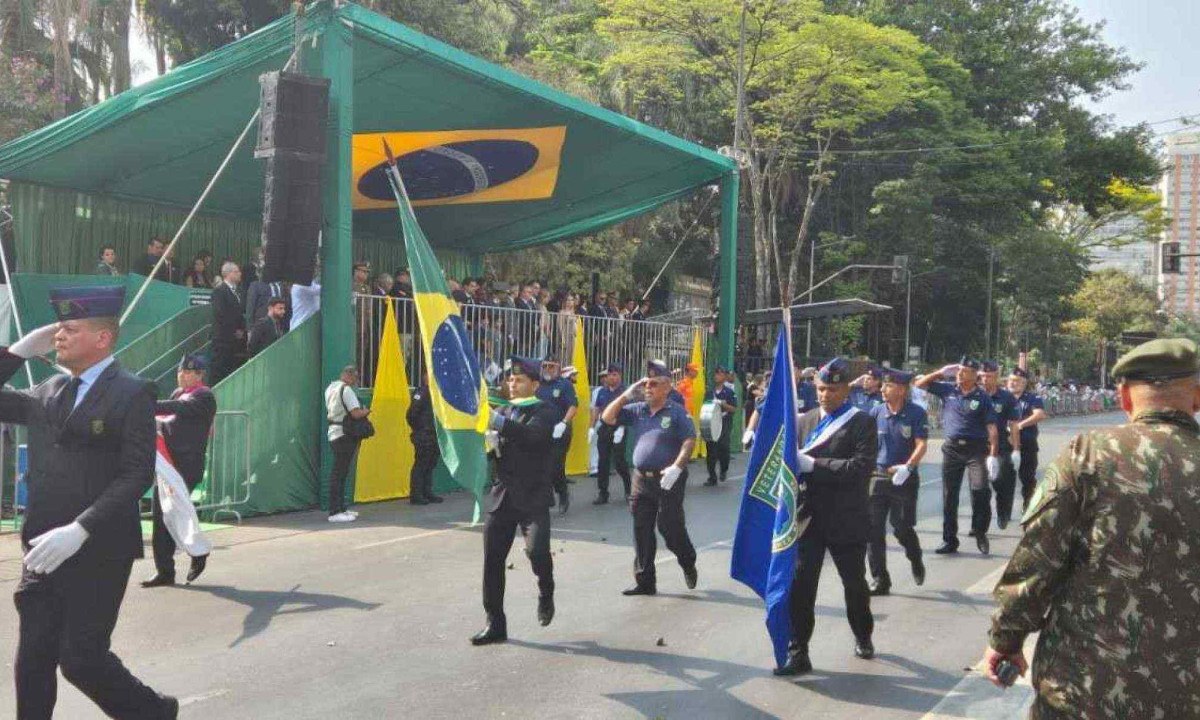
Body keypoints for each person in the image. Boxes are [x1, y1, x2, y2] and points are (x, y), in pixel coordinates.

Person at [983, 338, 1200, 717]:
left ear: (1124, 398)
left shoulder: (1089, 453)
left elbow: (1040, 555)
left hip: (1084, 687)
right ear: (1196, 398)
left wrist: (1006, 639)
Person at [0, 285, 178, 718]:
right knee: (33, 660)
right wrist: (19, 351)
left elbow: (136, 473)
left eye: (70, 328)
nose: (58, 336)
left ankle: (152, 713)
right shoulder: (48, 390)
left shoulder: (133, 392)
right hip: (43, 547)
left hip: (99, 548)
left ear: (102, 338)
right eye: (57, 329)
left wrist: (81, 528)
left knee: (81, 659)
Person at [774, 358, 877, 676]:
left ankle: (863, 635)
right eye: (820, 389)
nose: (825, 395)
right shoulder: (804, 421)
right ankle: (798, 651)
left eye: (832, 390)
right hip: (809, 518)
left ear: (846, 389)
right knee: (801, 586)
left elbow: (860, 468)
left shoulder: (862, 422)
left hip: (846, 517)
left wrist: (815, 466)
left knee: (854, 584)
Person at [472, 356, 559, 645]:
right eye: (510, 379)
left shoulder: (545, 410)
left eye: (519, 379)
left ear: (534, 384)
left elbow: (533, 436)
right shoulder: (505, 410)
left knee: (537, 552)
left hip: (533, 496)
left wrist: (499, 422)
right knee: (492, 560)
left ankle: (546, 591)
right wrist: (491, 444)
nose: (513, 383)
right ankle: (495, 622)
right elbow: (499, 451)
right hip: (503, 496)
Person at [601, 365, 698, 597]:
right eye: (645, 383)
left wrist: (677, 466)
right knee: (641, 529)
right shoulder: (638, 410)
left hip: (668, 478)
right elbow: (607, 417)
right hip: (641, 480)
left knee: (669, 527)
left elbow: (689, 440)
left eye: (654, 384)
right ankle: (645, 581)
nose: (648, 388)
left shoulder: (676, 411)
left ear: (667, 387)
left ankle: (687, 561)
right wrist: (626, 394)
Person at [142, 354, 216, 589]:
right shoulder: (177, 393)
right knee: (161, 516)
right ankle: (165, 571)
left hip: (186, 465)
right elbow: (163, 415)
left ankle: (198, 551)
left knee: (176, 511)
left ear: (199, 375)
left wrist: (145, 403)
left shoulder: (204, 396)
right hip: (166, 464)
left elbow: (176, 409)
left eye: (187, 372)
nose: (182, 375)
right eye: (180, 371)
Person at [915, 357, 999, 555]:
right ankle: (950, 540)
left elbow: (992, 428)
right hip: (952, 450)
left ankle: (979, 531)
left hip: (976, 450)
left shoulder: (982, 397)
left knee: (980, 491)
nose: (960, 374)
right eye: (959, 370)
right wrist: (941, 372)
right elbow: (919, 384)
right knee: (949, 496)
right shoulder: (948, 389)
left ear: (975, 375)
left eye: (965, 371)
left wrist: (993, 455)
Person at [866, 369, 928, 596]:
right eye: (882, 385)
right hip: (878, 477)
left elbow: (921, 444)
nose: (882, 389)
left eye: (888, 386)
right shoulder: (876, 412)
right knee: (872, 530)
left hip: (904, 479)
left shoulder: (916, 413)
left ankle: (915, 556)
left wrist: (908, 466)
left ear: (902, 390)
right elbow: (867, 444)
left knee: (901, 527)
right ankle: (880, 579)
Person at [980, 361, 1022, 529]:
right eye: (982, 376)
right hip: (979, 446)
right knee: (980, 487)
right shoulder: (975, 394)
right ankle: (979, 522)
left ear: (996, 377)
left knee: (1001, 482)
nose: (985, 379)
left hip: (1001, 446)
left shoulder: (1006, 397)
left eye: (989, 376)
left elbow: (1013, 424)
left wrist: (1017, 450)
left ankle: (1003, 512)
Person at [324, 365, 369, 523]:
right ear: (349, 376)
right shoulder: (347, 390)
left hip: (333, 433)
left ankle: (341, 507)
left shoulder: (331, 388)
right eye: (355, 378)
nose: (356, 381)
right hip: (344, 434)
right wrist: (367, 411)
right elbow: (355, 413)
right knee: (340, 473)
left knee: (340, 472)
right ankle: (335, 511)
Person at [536, 358, 577, 514]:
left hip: (560, 430)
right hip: (540, 430)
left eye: (551, 366)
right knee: (540, 464)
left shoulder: (564, 384)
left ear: (558, 367)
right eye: (545, 366)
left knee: (555, 465)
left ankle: (562, 493)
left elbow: (573, 406)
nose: (548, 369)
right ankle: (547, 497)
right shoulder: (537, 384)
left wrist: (564, 422)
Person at [1007, 368, 1047, 513]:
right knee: (1004, 480)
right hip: (1006, 445)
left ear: (1024, 383)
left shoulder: (1032, 398)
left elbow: (1040, 415)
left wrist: (1020, 425)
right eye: (1010, 380)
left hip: (1027, 444)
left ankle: (1028, 506)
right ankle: (1004, 508)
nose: (1013, 383)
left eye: (1017, 381)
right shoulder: (1001, 397)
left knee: (1028, 478)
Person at [591, 364, 631, 504]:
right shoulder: (602, 391)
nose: (612, 377)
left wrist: (622, 426)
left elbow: (629, 411)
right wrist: (591, 427)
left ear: (620, 376)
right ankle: (603, 493)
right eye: (610, 375)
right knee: (603, 461)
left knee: (620, 461)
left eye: (615, 375)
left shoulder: (625, 392)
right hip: (604, 428)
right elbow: (596, 409)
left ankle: (628, 490)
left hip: (619, 428)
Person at [406, 371, 443, 505]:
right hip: (423, 434)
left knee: (431, 463)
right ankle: (416, 494)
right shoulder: (422, 392)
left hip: (434, 434)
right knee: (421, 464)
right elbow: (411, 414)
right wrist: (420, 428)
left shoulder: (436, 394)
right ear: (425, 377)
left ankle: (427, 492)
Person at [209, 261, 246, 385]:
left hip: (234, 342)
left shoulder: (237, 291)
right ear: (228, 274)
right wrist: (234, 330)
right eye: (237, 272)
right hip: (222, 339)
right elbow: (220, 314)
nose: (240, 274)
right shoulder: (220, 291)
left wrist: (241, 329)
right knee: (219, 371)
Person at [704, 365, 737, 486]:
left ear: (724, 376)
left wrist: (723, 404)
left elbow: (733, 409)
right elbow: (705, 407)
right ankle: (712, 477)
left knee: (724, 448)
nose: (717, 376)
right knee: (711, 449)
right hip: (712, 423)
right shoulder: (709, 392)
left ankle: (724, 469)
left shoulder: (729, 393)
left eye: (720, 374)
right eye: (716, 374)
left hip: (725, 422)